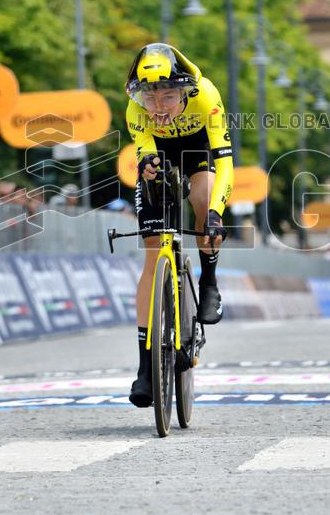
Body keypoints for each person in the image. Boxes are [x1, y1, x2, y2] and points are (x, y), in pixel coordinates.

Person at [124, 42, 233, 408]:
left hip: (198, 149)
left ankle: (209, 281)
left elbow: (226, 165)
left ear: (185, 91)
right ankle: (145, 366)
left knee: (202, 203)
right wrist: (149, 166)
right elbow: (144, 152)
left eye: (168, 97)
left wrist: (216, 212)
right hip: (160, 154)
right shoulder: (135, 112)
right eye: (149, 98)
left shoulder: (207, 97)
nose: (157, 108)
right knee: (152, 254)